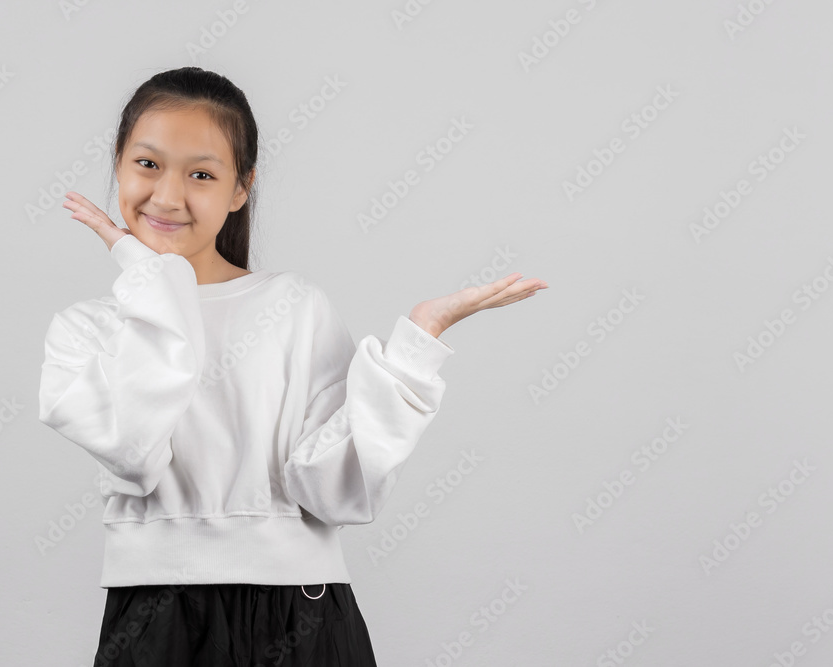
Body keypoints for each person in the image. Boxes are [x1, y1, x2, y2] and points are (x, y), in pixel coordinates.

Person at [37, 66, 548, 667]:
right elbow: (136, 451)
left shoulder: (294, 306)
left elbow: (337, 490)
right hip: (152, 618)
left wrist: (418, 343)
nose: (168, 196)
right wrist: (147, 276)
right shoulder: (85, 331)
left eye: (202, 173)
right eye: (147, 164)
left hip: (300, 614)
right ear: (118, 165)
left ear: (239, 188)